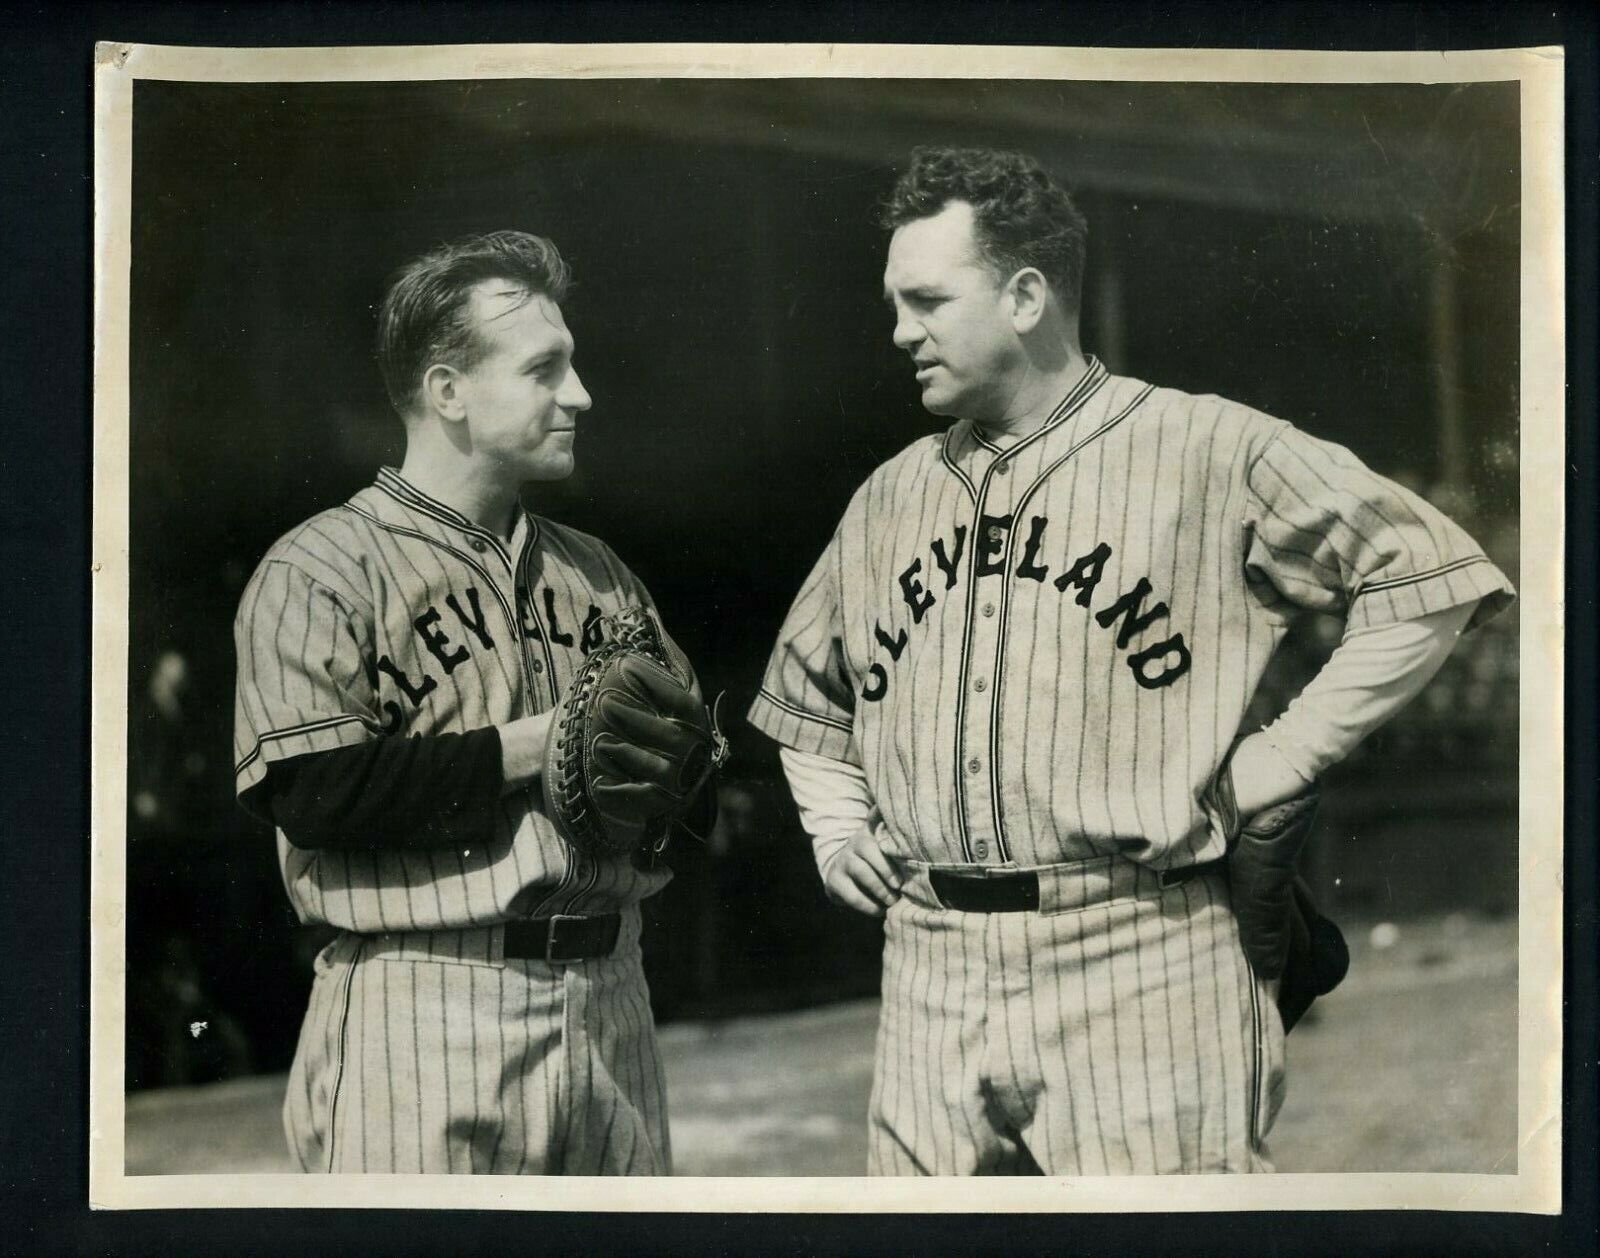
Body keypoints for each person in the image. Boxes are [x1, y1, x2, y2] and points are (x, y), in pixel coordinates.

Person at [747, 147, 1513, 1175]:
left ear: (1025, 296)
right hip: (929, 959)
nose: (898, 332)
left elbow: (1429, 572)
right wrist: (836, 827)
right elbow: (804, 694)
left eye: (925, 300)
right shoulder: (889, 495)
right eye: (894, 303)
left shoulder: (1206, 447)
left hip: (1139, 945)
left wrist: (1284, 754)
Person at [233, 230, 702, 1175]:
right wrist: (539, 745)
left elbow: (691, 797)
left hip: (611, 995)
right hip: (427, 1000)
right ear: (448, 392)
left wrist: (680, 782)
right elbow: (312, 795)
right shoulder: (322, 569)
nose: (581, 395)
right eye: (545, 369)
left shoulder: (602, 576)